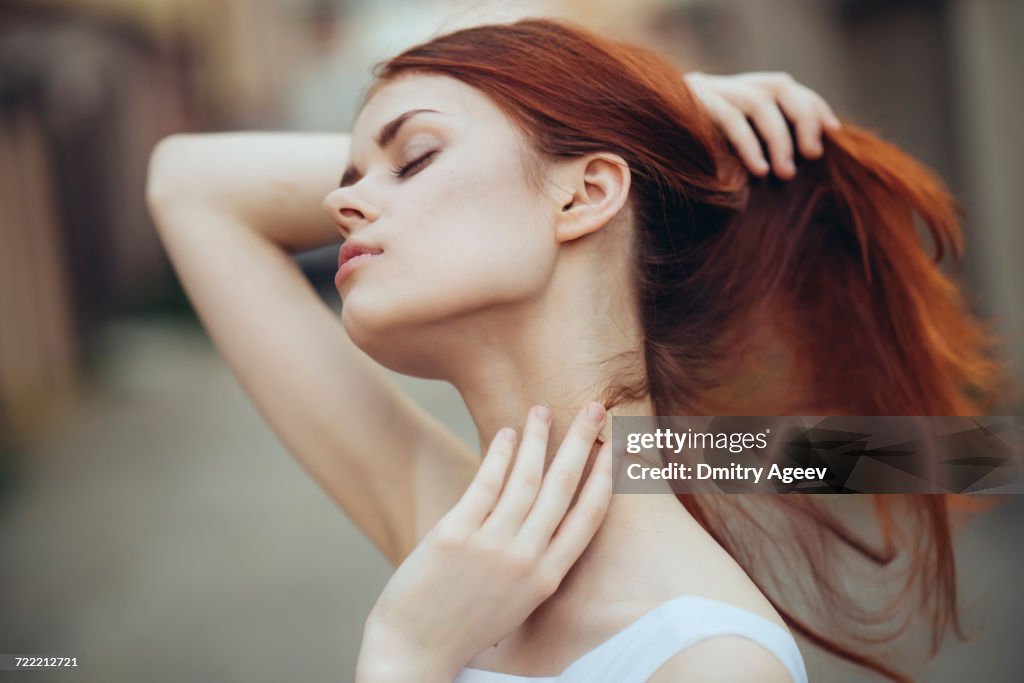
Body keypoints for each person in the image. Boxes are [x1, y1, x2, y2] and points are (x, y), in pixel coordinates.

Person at [145, 17, 1004, 683]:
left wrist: (407, 654)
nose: (342, 205)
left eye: (412, 159)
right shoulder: (461, 532)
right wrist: (655, 114)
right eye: (350, 178)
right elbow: (187, 182)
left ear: (588, 192)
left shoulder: (708, 662)